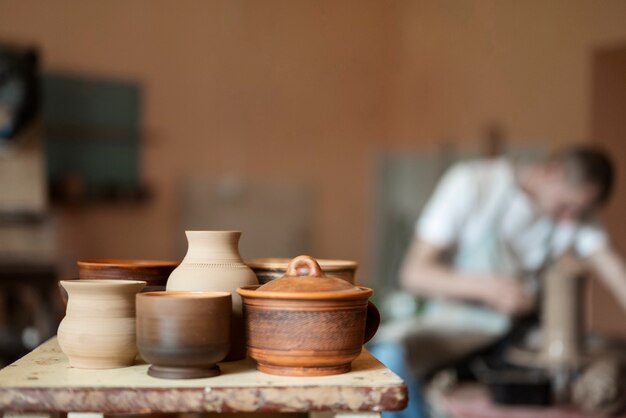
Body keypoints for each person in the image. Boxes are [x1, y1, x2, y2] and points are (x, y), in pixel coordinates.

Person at [370, 146, 626, 418]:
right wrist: (488, 288)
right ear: (552, 171)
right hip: (456, 325)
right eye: (565, 207)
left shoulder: (575, 214)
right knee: (389, 358)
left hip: (518, 333)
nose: (569, 219)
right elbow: (413, 273)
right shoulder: (474, 184)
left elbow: (615, 272)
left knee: (607, 368)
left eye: (578, 212)